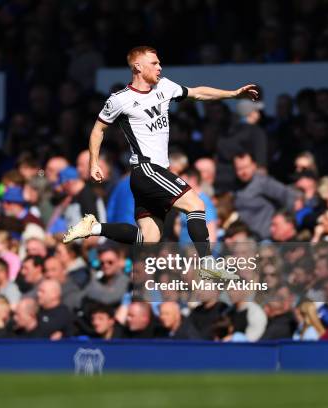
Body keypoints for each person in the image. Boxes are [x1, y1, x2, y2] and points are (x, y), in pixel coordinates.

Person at [63, 46, 258, 280]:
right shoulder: (120, 100)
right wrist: (93, 162)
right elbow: (98, 130)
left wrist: (233, 94)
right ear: (138, 67)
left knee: (149, 239)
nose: (159, 67)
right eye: (154, 63)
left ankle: (94, 228)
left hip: (152, 174)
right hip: (146, 169)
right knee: (196, 205)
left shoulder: (164, 86)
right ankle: (208, 263)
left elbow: (197, 93)